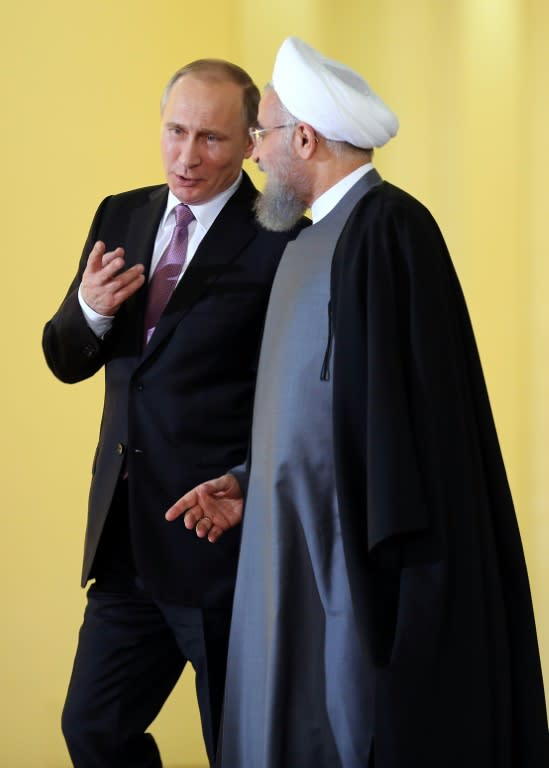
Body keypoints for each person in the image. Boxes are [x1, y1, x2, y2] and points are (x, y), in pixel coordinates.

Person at [166, 37, 549, 768]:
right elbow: (313, 413)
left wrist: (379, 587)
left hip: (354, 572)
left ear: (303, 139)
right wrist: (252, 484)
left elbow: (405, 427)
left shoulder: (387, 230)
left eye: (264, 134)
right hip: (297, 549)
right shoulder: (314, 242)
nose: (254, 155)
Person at [42, 58, 307, 768]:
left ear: (252, 142)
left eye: (212, 140)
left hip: (224, 549)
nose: (187, 157)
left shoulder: (285, 239)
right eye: (175, 131)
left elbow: (304, 396)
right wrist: (90, 312)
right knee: (93, 731)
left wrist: (248, 483)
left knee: (244, 749)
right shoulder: (119, 213)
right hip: (125, 545)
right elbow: (65, 358)